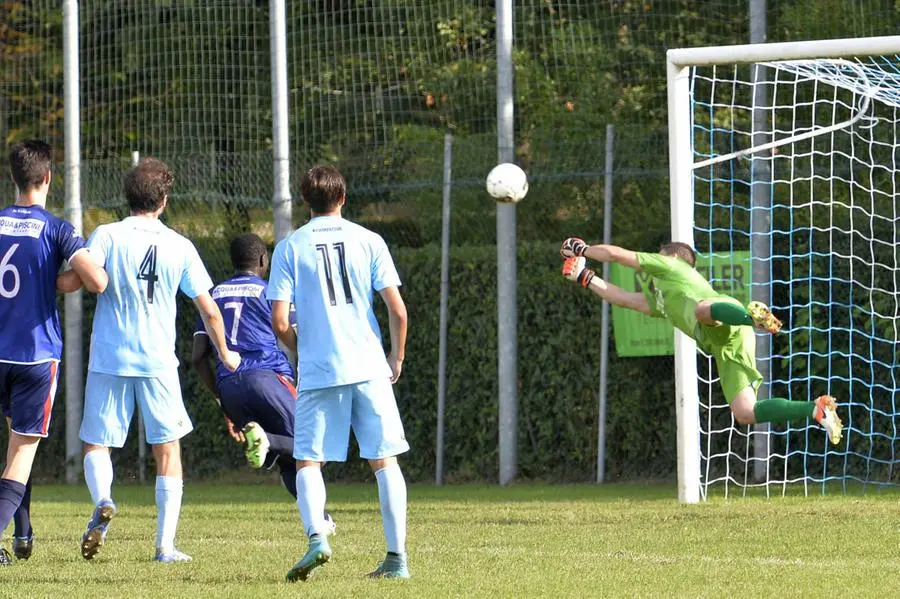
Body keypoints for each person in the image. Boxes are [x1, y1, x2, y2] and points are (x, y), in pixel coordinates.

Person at [77, 157, 240, 564]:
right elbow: (210, 309)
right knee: (167, 451)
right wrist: (225, 353)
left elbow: (85, 276)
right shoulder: (180, 245)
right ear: (164, 200)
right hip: (158, 361)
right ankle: (164, 547)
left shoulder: (107, 235)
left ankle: (103, 500)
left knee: (97, 445)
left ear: (127, 197)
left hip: (110, 356)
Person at [268, 165, 410, 581]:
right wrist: (395, 358)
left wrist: (301, 349)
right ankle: (397, 560)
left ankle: (317, 538)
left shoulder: (290, 247)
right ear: (343, 198)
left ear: (304, 202)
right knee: (384, 462)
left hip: (319, 368)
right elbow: (398, 311)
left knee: (308, 461)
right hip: (368, 365)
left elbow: (279, 322)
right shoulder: (370, 240)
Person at [559, 238, 843, 444]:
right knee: (745, 412)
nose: (654, 260)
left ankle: (752, 316)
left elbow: (616, 254)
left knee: (701, 310)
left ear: (672, 257)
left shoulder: (671, 266)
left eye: (659, 255)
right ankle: (815, 408)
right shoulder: (661, 300)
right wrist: (585, 276)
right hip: (722, 344)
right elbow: (621, 298)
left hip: (724, 316)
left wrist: (583, 249)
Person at [0, 140, 108, 566]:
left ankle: (23, 533)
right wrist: (68, 276)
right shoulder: (56, 228)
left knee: (14, 449)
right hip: (34, 356)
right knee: (23, 451)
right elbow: (96, 281)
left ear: (13, 179)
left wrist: (48, 281)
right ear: (47, 178)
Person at [191, 233, 336, 533]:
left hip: (229, 384)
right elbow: (296, 335)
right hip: (267, 377)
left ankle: (319, 521)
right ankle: (269, 442)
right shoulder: (271, 293)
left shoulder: (213, 294)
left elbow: (197, 357)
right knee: (311, 447)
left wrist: (222, 401)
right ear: (262, 261)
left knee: (288, 460)